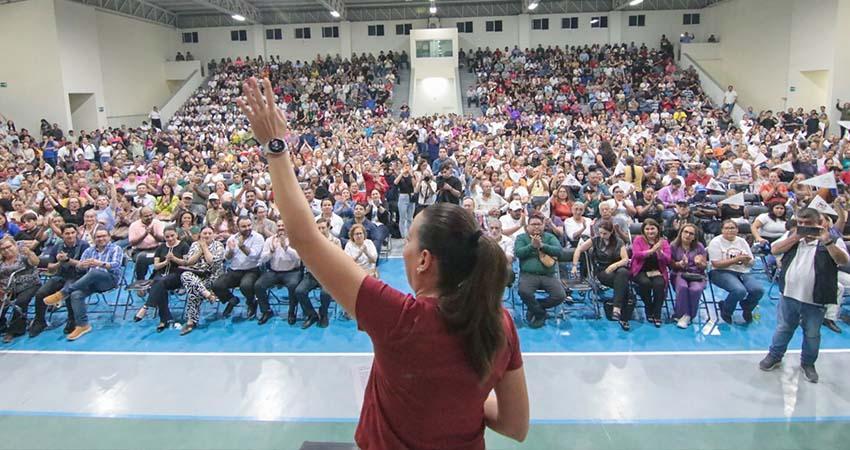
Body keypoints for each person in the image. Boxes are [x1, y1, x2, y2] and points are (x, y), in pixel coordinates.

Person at [239, 77, 529, 447]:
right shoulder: (499, 321)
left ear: (424, 260)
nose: (404, 248)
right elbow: (515, 426)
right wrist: (463, 398)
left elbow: (306, 239)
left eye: (408, 241)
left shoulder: (399, 318)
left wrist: (275, 148)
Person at [760, 208, 849, 383]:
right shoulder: (792, 235)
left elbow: (843, 261)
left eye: (808, 224)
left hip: (816, 298)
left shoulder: (833, 239)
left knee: (812, 334)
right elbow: (775, 250)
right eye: (800, 223)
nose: (803, 227)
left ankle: (808, 364)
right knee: (784, 328)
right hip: (788, 294)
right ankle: (775, 356)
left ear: (819, 223)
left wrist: (828, 242)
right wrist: (795, 237)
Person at [43, 229, 123, 341]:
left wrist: (99, 264)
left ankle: (63, 293)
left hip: (109, 280)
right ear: (94, 239)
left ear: (109, 237)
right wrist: (82, 265)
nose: (101, 239)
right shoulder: (89, 250)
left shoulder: (115, 248)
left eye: (104, 236)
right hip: (91, 282)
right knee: (76, 295)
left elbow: (116, 265)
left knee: (94, 272)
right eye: (98, 237)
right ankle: (82, 325)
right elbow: (79, 266)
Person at [572, 220, 631, 330]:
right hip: (603, 272)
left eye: (605, 233)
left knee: (623, 273)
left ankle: (617, 309)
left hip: (617, 270)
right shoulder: (595, 240)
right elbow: (579, 249)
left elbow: (625, 259)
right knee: (624, 285)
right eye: (600, 233)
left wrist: (614, 266)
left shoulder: (618, 242)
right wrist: (575, 265)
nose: (602, 236)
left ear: (611, 232)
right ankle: (623, 317)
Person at [515, 213, 567, 328]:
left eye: (539, 224)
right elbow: (518, 252)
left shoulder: (549, 237)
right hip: (528, 275)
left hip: (548, 275)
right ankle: (540, 314)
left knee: (560, 296)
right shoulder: (521, 238)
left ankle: (535, 307)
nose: (536, 227)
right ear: (527, 226)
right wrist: (532, 246)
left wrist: (542, 246)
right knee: (524, 292)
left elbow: (559, 251)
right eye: (533, 224)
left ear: (544, 225)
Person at [133, 227, 190, 332]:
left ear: (176, 235)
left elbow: (187, 263)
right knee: (159, 284)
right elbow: (156, 266)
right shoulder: (161, 247)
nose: (170, 238)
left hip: (176, 275)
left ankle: (146, 307)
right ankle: (165, 319)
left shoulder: (184, 246)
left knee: (159, 282)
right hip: (160, 274)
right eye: (167, 237)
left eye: (172, 235)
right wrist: (165, 261)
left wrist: (174, 259)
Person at [707, 220, 764, 324]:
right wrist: (736, 260)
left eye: (732, 228)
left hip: (743, 272)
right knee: (739, 291)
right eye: (727, 228)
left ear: (737, 230)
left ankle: (747, 307)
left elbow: (751, 262)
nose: (730, 230)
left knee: (758, 290)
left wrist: (747, 261)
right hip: (720, 272)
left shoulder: (742, 241)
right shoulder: (716, 242)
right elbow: (716, 264)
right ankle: (726, 310)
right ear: (722, 230)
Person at [212, 216, 265, 318]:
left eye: (249, 225)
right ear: (238, 227)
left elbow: (255, 255)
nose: (247, 228)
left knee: (245, 286)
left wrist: (242, 247)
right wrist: (231, 251)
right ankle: (232, 299)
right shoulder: (232, 239)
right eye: (244, 226)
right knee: (217, 285)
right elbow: (227, 259)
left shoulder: (258, 237)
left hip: (252, 270)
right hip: (234, 271)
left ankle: (251, 303)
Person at [179, 227, 226, 335]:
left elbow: (212, 262)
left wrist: (204, 248)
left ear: (214, 235)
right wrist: (199, 251)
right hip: (197, 276)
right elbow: (189, 263)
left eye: (210, 233)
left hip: (213, 277)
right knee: (185, 275)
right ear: (200, 234)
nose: (207, 235)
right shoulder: (195, 245)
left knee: (193, 289)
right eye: (205, 233)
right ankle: (207, 294)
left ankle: (191, 321)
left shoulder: (219, 245)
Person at [292, 218, 338, 328]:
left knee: (325, 293)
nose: (321, 230)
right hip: (312, 274)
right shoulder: (309, 242)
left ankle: (324, 313)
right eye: (318, 228)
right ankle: (311, 315)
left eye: (323, 228)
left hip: (328, 275)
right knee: (299, 291)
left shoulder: (336, 241)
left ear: (328, 228)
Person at [254, 221, 303, 325]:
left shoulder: (295, 239)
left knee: (293, 285)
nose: (281, 228)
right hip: (274, 272)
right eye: (279, 226)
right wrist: (270, 253)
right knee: (258, 285)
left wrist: (286, 248)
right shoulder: (269, 240)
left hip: (292, 272)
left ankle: (291, 311)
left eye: (283, 226)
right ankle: (266, 311)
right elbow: (262, 259)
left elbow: (299, 257)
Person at [630, 219, 671, 327]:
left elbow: (668, 260)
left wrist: (660, 252)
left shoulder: (664, 242)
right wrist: (651, 251)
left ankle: (657, 314)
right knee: (645, 283)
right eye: (647, 229)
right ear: (643, 230)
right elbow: (636, 255)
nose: (650, 231)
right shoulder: (638, 239)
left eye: (652, 228)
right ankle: (648, 308)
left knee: (660, 284)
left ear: (658, 229)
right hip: (640, 270)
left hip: (657, 271)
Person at [0, 237, 42, 343]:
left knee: (21, 302)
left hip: (28, 284)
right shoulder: (1, 260)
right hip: (7, 287)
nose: (6, 250)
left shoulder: (23, 255)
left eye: (9, 247)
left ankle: (14, 330)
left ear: (15, 245)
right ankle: (2, 324)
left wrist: (30, 253)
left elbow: (36, 262)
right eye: (3, 249)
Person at [669, 224, 708, 329]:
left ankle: (688, 315)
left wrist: (700, 263)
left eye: (691, 233)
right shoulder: (673, 246)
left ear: (695, 236)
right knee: (683, 287)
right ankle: (682, 315)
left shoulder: (699, 246)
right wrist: (679, 264)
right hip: (679, 273)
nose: (688, 235)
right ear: (681, 233)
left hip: (697, 274)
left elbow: (704, 266)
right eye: (685, 232)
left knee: (696, 289)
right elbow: (670, 264)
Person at [127, 207, 165, 286]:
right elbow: (132, 243)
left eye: (151, 215)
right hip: (139, 251)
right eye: (146, 216)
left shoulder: (157, 223)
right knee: (142, 257)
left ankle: (154, 279)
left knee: (165, 257)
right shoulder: (134, 225)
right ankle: (140, 281)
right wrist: (144, 234)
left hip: (156, 249)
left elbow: (162, 239)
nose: (149, 217)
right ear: (140, 217)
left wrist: (153, 233)